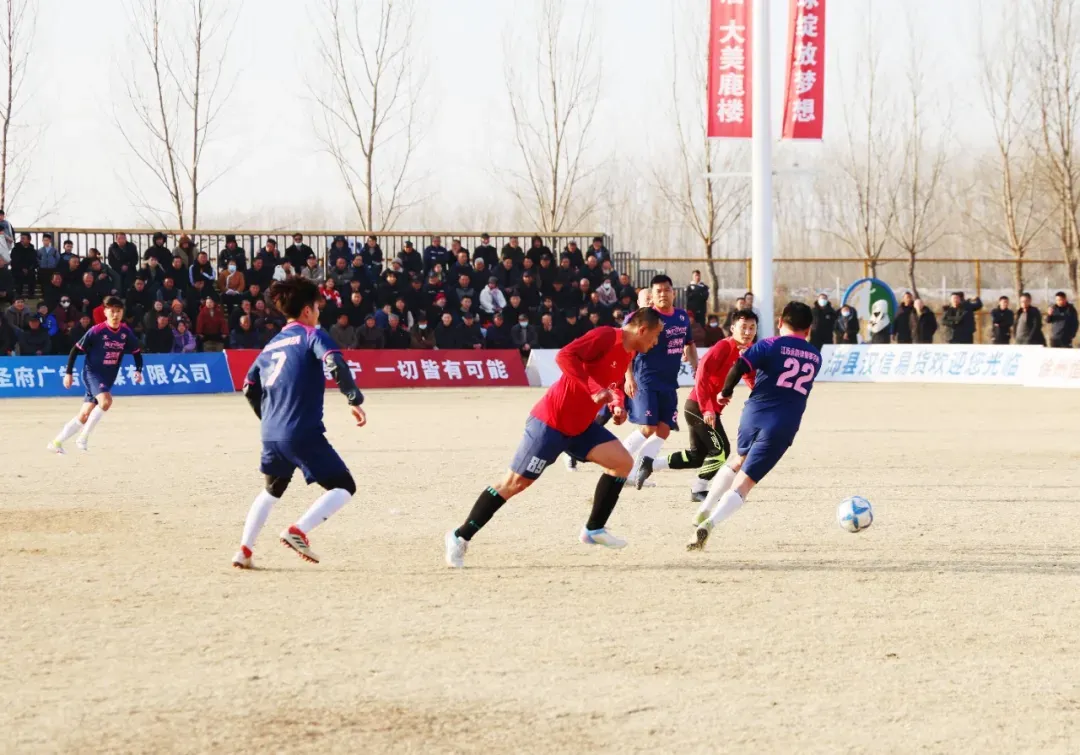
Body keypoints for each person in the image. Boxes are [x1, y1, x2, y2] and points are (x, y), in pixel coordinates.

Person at [443, 307, 664, 568]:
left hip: (581, 426)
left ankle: (593, 530)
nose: (656, 341)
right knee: (514, 483)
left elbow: (610, 382)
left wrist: (617, 403)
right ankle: (459, 536)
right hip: (551, 422)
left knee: (622, 463)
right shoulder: (606, 336)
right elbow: (565, 356)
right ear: (642, 330)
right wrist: (595, 390)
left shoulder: (630, 351)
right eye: (656, 335)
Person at [233, 277, 367, 568]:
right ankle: (298, 531)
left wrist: (268, 417)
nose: (319, 313)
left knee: (271, 490)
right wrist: (353, 398)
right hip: (301, 431)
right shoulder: (312, 335)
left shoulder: (271, 345)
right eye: (317, 308)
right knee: (344, 486)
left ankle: (243, 550)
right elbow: (334, 362)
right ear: (307, 310)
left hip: (270, 433)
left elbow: (248, 386)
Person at [688, 302, 821, 550]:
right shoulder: (816, 356)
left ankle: (704, 509)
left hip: (754, 413)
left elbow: (740, 365)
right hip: (783, 423)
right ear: (809, 328)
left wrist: (724, 392)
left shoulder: (769, 344)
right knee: (745, 483)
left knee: (738, 459)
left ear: (780, 321)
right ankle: (710, 524)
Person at [636, 309, 758, 502]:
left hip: (706, 408)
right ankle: (699, 489)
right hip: (698, 407)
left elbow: (750, 378)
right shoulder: (724, 346)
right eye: (743, 327)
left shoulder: (747, 351)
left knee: (697, 456)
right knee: (721, 451)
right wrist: (708, 408)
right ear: (732, 328)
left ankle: (651, 464)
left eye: (752, 328)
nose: (747, 332)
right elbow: (702, 374)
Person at [625, 275, 697, 488]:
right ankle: (616, 462)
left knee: (665, 429)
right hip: (645, 379)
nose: (663, 294)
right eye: (659, 291)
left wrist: (696, 365)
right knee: (648, 428)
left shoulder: (682, 317)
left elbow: (689, 344)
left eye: (667, 290)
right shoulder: (643, 317)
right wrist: (628, 377)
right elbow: (626, 349)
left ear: (673, 292)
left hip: (669, 382)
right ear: (652, 295)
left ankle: (642, 467)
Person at [48, 297, 143, 454]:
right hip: (92, 373)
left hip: (108, 376)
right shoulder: (97, 330)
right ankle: (83, 438)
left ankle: (56, 442)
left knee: (84, 414)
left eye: (118, 311)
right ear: (105, 312)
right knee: (106, 402)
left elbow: (137, 352)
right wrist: (68, 373)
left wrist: (138, 370)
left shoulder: (125, 332)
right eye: (112, 311)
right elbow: (75, 350)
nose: (115, 314)